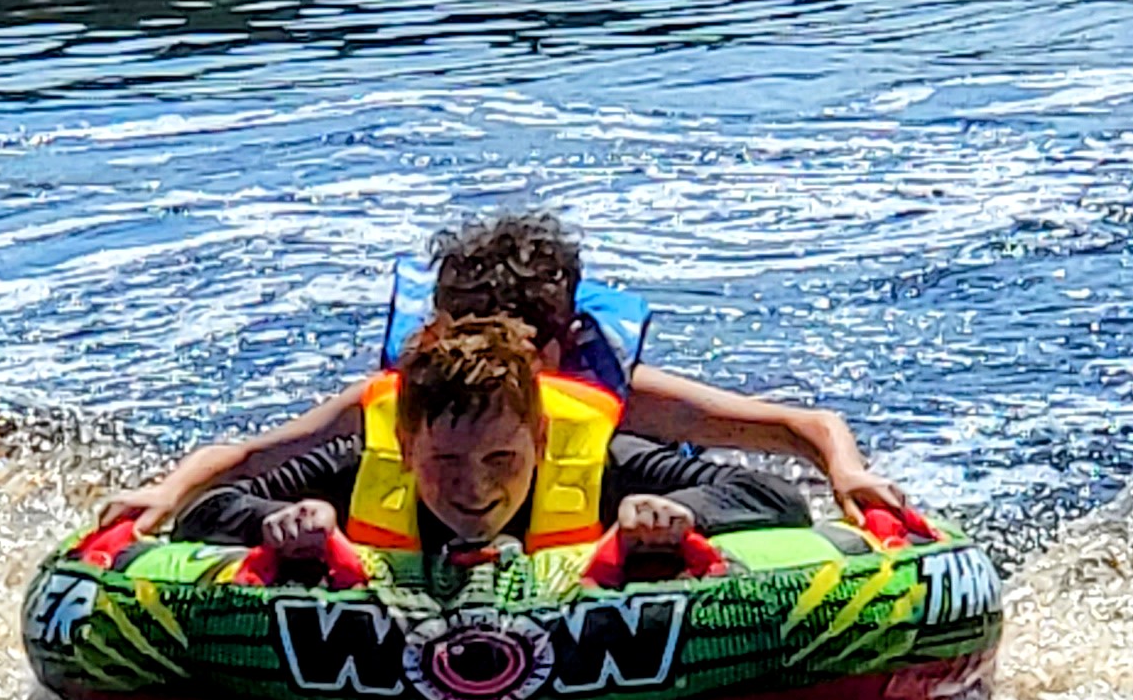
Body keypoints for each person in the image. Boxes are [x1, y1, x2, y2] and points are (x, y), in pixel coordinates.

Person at [99, 209, 905, 541]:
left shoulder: (619, 409)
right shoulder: (396, 415)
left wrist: (848, 474)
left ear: (561, 342)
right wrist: (169, 498)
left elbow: (799, 432)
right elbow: (246, 462)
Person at [171, 311, 814, 582]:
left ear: (539, 439)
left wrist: (681, 514)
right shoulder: (362, 465)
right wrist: (275, 522)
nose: (475, 488)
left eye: (501, 461)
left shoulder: (598, 463)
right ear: (406, 443)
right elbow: (202, 513)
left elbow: (776, 497)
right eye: (445, 462)